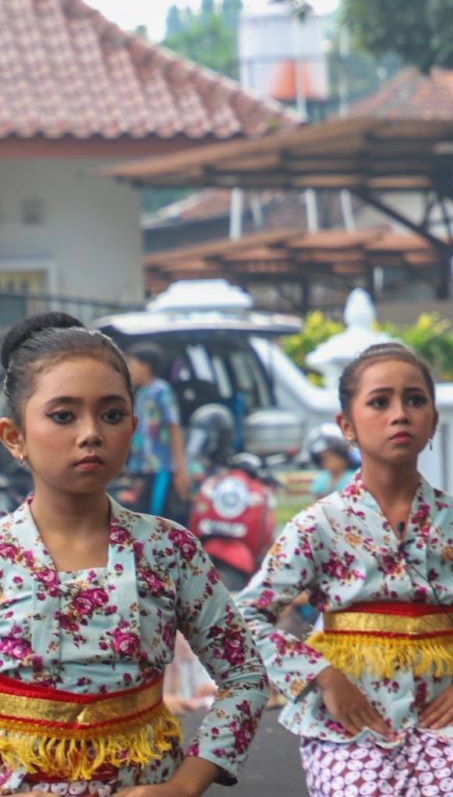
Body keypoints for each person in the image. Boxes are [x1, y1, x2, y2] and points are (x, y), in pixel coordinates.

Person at [237, 344, 453, 797]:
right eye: (379, 401)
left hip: (449, 727)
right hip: (350, 728)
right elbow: (244, 616)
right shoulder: (320, 525)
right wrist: (322, 677)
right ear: (346, 426)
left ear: (433, 419)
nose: (400, 414)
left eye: (415, 400)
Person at [0, 313, 266, 796]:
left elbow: (244, 677)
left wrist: (184, 785)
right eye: (64, 416)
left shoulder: (170, 549)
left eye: (112, 414)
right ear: (14, 436)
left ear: (135, 427)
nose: (91, 433)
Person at [125, 342, 189, 521]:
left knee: (156, 516)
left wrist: (180, 469)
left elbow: (174, 427)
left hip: (161, 466)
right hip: (145, 468)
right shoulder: (141, 394)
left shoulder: (161, 390)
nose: (129, 369)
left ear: (146, 366)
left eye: (132, 364)